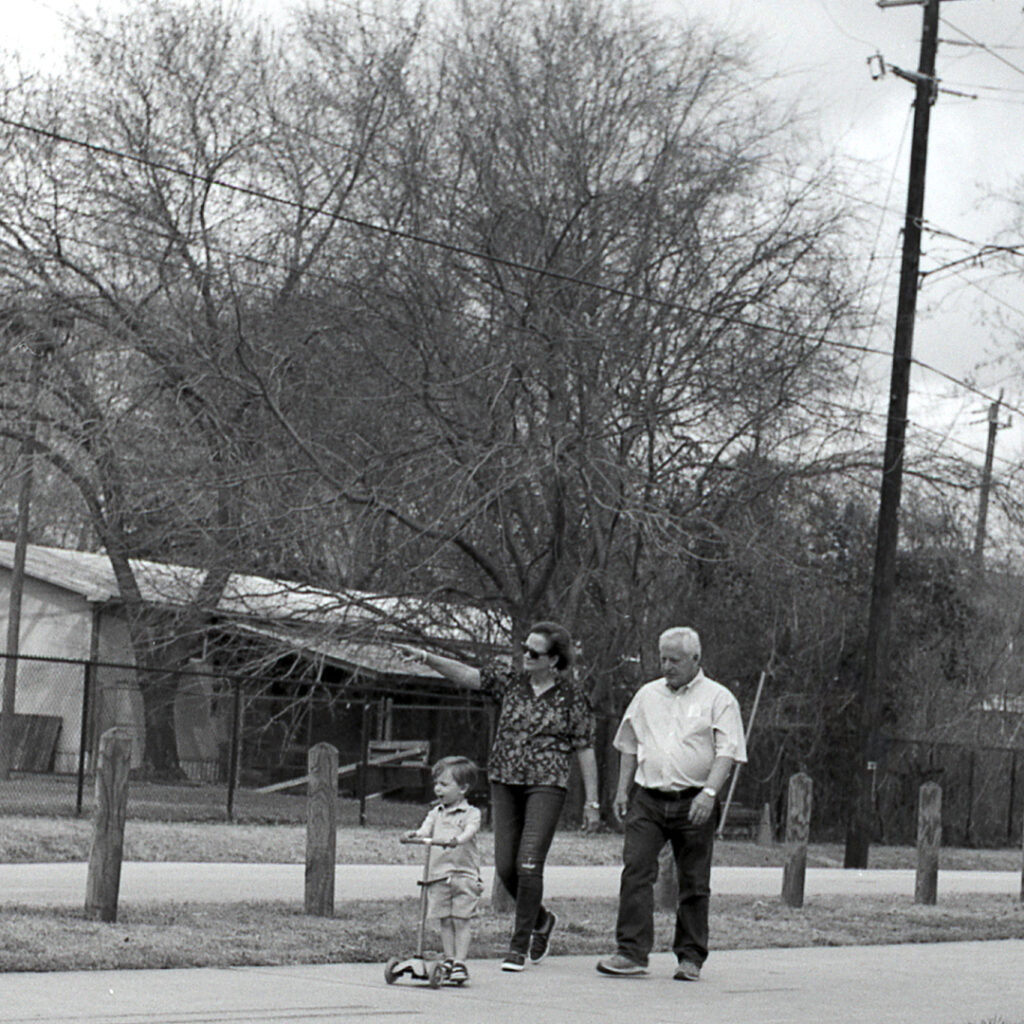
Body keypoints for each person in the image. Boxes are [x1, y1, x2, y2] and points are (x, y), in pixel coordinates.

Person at [398, 621, 600, 972]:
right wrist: (428, 657)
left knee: (530, 861)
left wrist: (592, 802)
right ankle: (541, 920)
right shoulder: (511, 681)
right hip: (505, 779)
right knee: (507, 866)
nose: (525, 655)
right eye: (524, 648)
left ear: (553, 660)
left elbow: (585, 749)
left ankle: (518, 946)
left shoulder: (572, 697)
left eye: (534, 652)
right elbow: (467, 675)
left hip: (547, 783)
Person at [596, 626, 747, 981]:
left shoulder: (718, 699)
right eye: (663, 658)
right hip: (648, 799)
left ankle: (691, 957)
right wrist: (622, 791)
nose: (667, 666)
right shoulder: (647, 695)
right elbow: (628, 743)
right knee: (635, 870)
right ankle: (631, 952)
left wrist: (709, 794)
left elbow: (727, 751)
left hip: (693, 799)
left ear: (696, 659)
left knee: (693, 880)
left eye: (675, 660)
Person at [404, 755, 484, 985]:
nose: (438, 789)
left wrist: (457, 839)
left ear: (463, 788)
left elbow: (470, 831)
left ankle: (460, 961)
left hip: (463, 875)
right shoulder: (435, 813)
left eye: (445, 784)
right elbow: (425, 830)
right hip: (438, 875)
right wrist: (415, 835)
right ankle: (448, 959)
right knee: (445, 919)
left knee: (461, 918)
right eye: (437, 784)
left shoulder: (471, 813)